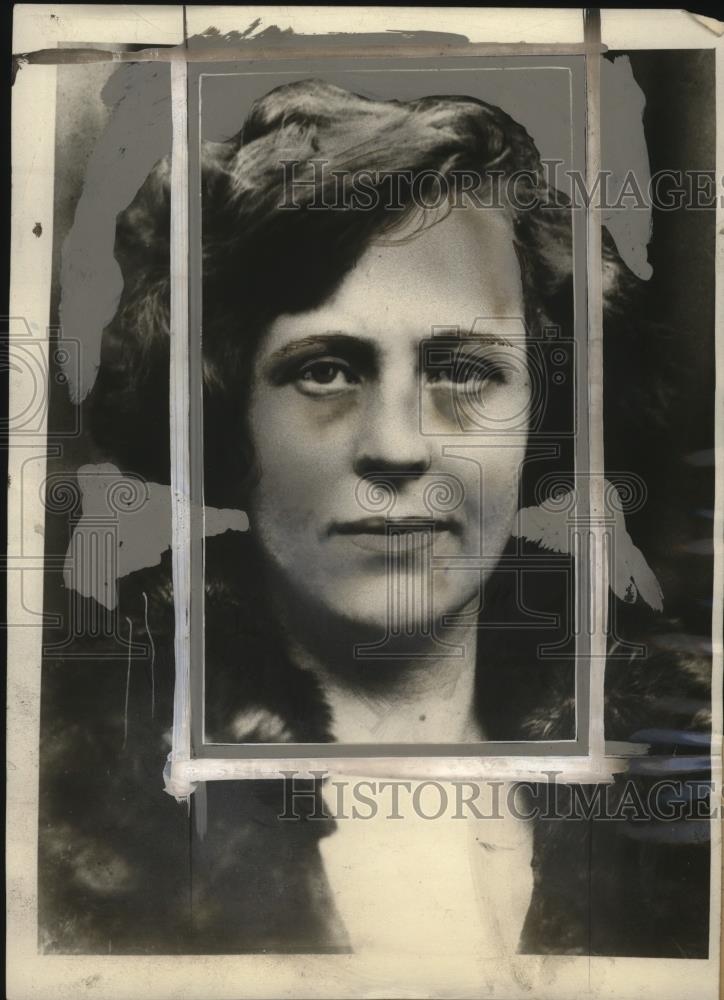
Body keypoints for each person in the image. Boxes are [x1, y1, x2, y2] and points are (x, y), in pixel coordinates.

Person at [39, 79, 711, 959]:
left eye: (464, 371)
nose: (397, 445)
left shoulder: (686, 782)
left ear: (542, 415)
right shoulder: (67, 812)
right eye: (324, 370)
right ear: (219, 413)